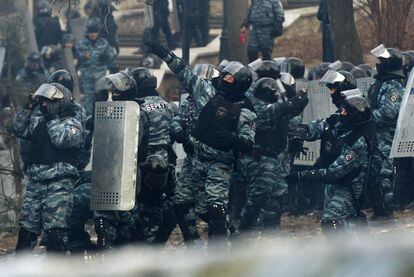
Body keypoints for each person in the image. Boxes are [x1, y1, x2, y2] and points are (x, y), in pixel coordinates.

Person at [145, 32, 258, 249]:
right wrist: (162, 52)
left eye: (230, 78)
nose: (224, 79)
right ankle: (190, 246)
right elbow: (184, 71)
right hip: (193, 159)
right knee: (179, 204)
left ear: (240, 84)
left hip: (219, 164)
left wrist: (231, 139)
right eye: (224, 75)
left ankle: (219, 255)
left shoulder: (246, 111)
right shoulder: (206, 92)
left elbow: (248, 143)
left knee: (215, 210)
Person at [287, 74, 374, 235]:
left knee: (331, 222)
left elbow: (333, 173)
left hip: (347, 187)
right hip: (332, 185)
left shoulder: (357, 142)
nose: (340, 113)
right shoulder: (338, 121)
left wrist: (300, 176)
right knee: (347, 224)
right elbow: (317, 127)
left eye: (344, 111)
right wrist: (300, 135)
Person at [13, 83, 84, 254]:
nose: (44, 105)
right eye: (42, 102)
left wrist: (52, 119)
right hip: (36, 182)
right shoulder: (39, 121)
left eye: (48, 101)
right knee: (27, 230)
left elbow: (61, 140)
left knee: (55, 232)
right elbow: (18, 129)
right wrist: (28, 108)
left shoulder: (73, 123)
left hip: (58, 184)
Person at [237, 78, 308, 235]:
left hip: (276, 158)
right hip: (262, 159)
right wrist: (300, 95)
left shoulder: (274, 108)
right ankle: (243, 230)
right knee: (258, 197)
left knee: (276, 196)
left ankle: (271, 231)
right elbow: (289, 106)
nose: (276, 93)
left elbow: (293, 112)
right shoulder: (261, 109)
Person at [367, 45, 405, 217]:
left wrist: (366, 119)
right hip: (374, 137)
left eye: (381, 61)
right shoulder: (379, 84)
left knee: (384, 175)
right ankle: (378, 209)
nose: (378, 64)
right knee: (373, 174)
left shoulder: (394, 87)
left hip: (387, 138)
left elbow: (388, 113)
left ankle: (385, 211)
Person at [75, 17, 115, 115]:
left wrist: (106, 56)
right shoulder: (81, 44)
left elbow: (112, 55)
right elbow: (76, 55)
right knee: (88, 97)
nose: (93, 34)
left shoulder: (104, 43)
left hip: (100, 74)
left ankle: (101, 115)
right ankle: (87, 117)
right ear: (88, 33)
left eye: (95, 32)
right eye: (91, 32)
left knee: (101, 96)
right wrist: (82, 56)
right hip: (87, 75)